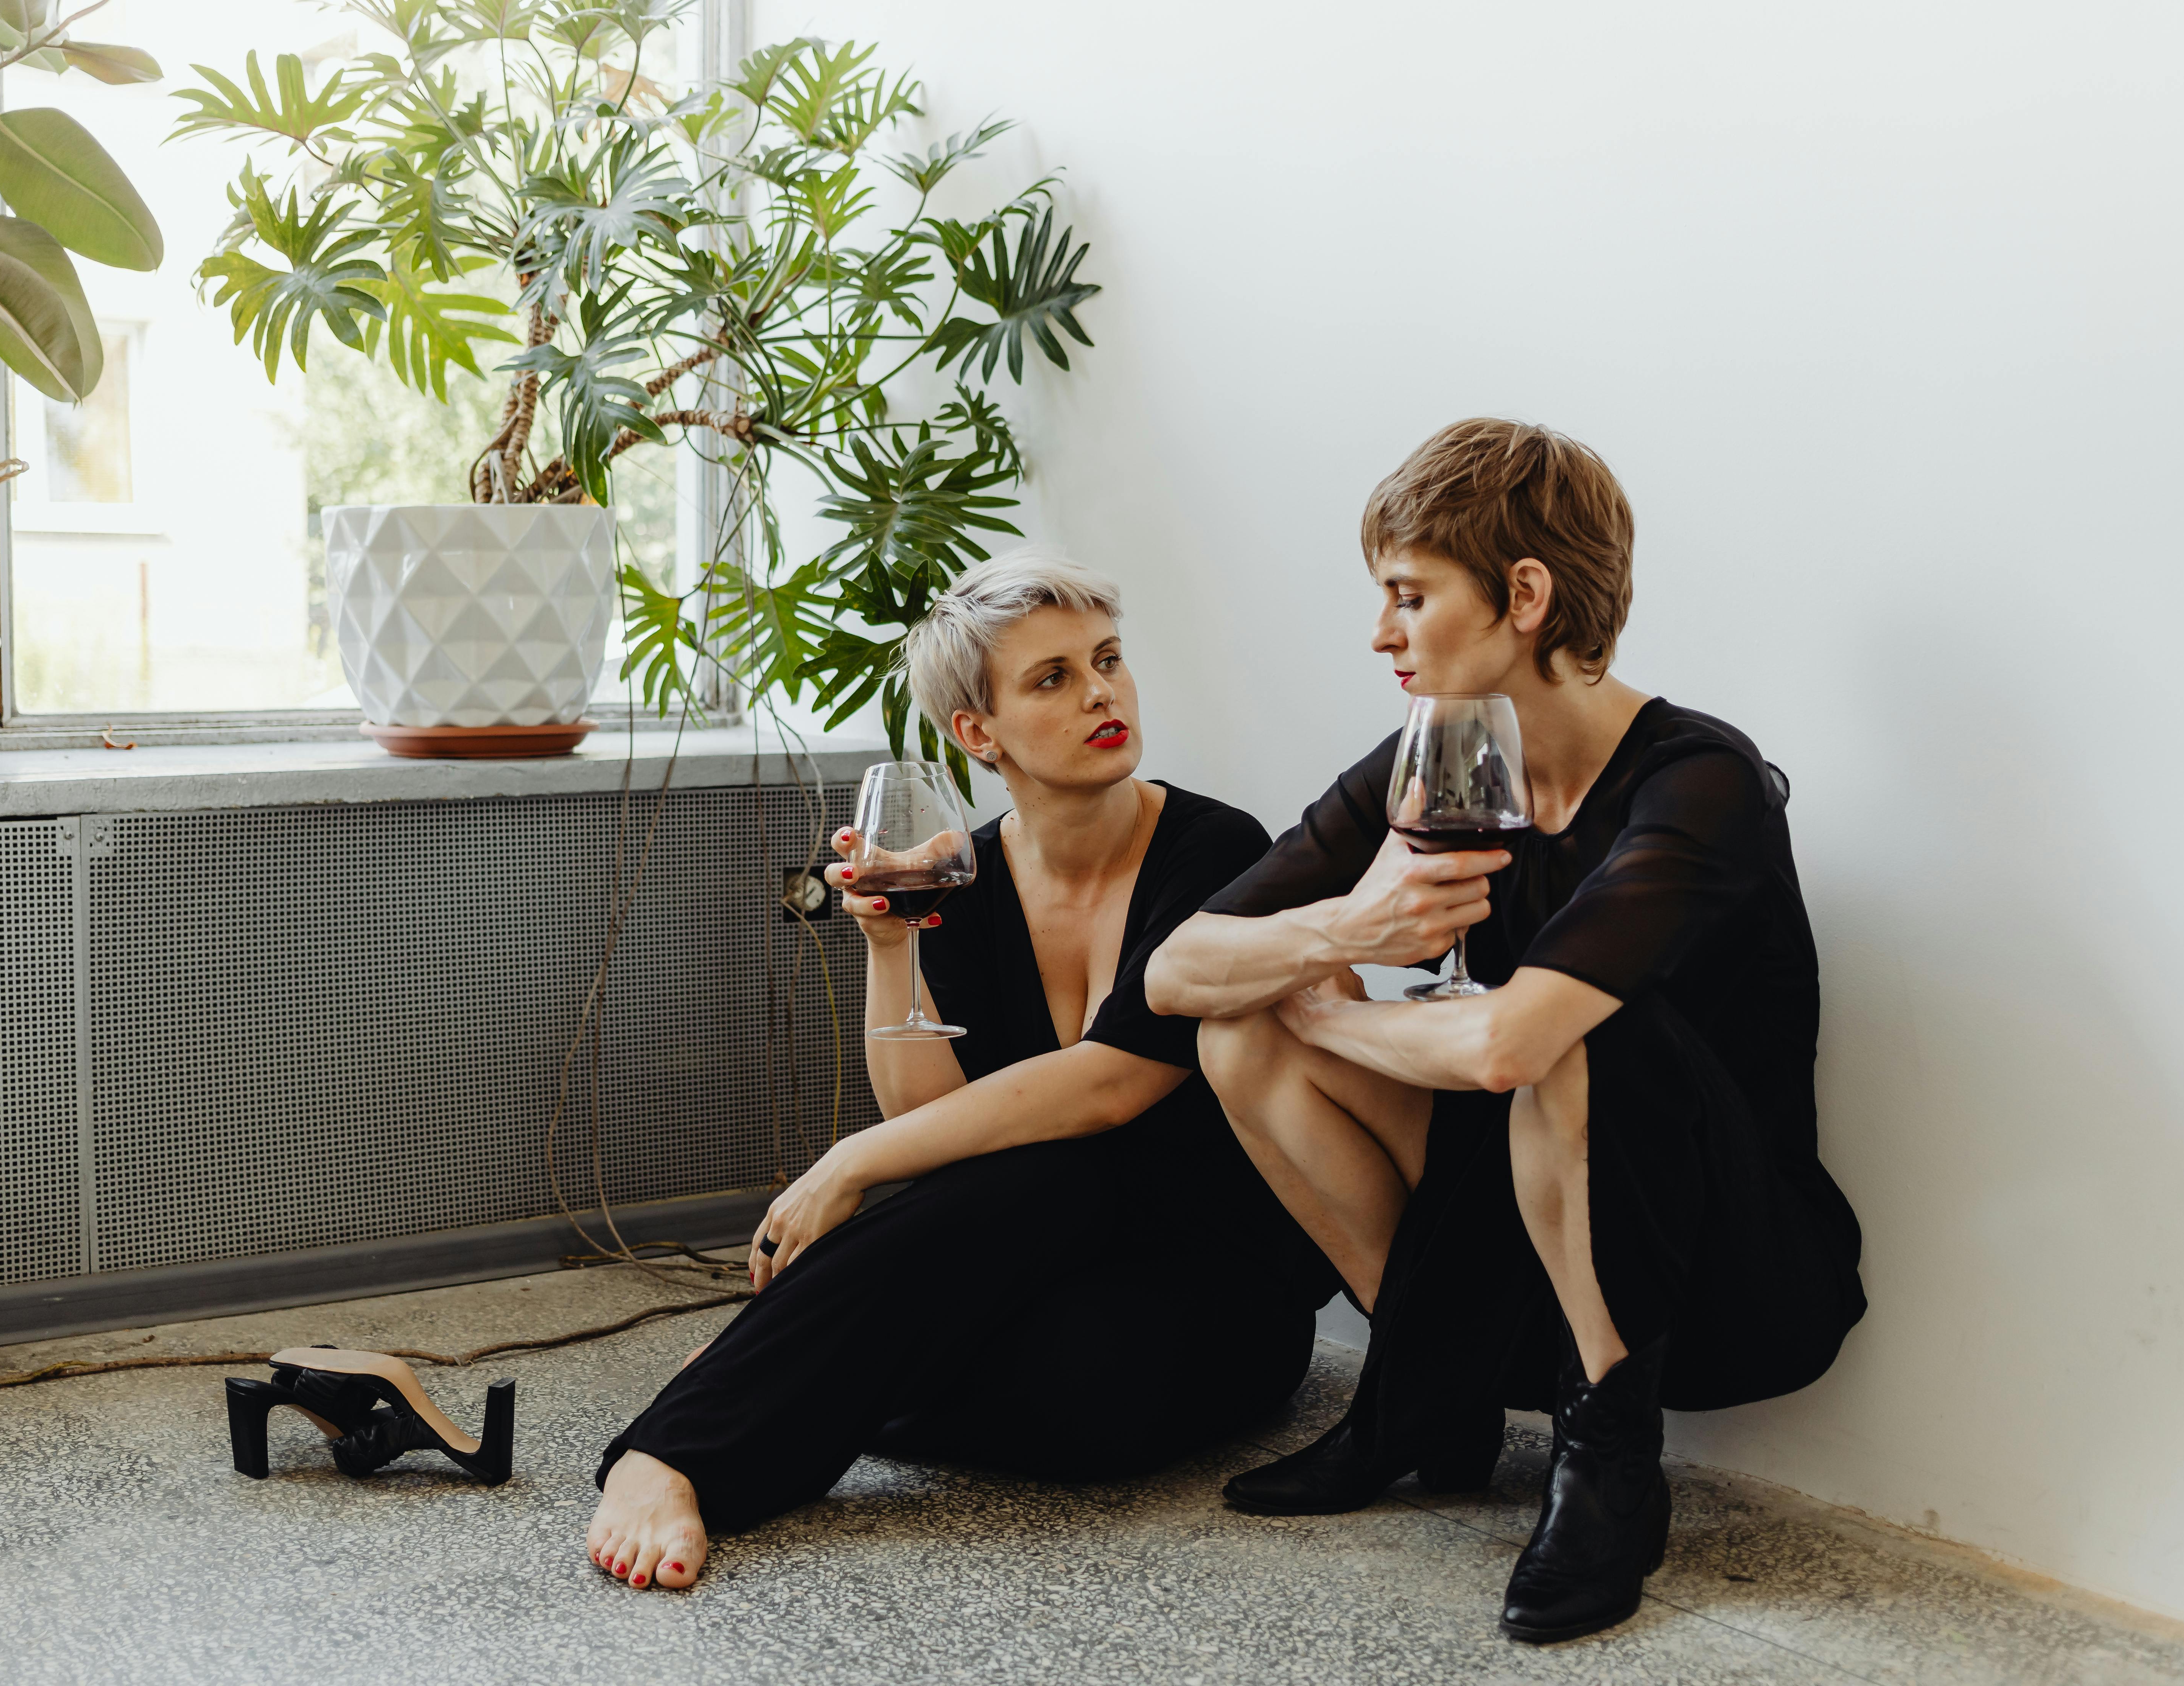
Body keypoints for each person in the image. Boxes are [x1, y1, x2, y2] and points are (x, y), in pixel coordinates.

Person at [1147, 419, 1865, 1644]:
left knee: (1583, 1035)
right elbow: (1175, 973)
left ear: (1525, 595)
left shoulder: (1702, 782)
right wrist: (1340, 936)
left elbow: (1507, 1049)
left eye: (1409, 595)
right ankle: (1433, 1395)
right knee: (1237, 1033)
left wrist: (1329, 1006)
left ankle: (1609, 1465)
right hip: (1514, 1229)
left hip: (1726, 1270)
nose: (1381, 634)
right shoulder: (1444, 755)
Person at [587, 550, 1341, 1590]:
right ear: (977, 734)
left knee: (1090, 1401)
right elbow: (935, 1117)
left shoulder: (1218, 850)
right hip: (1036, 1241)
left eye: (1107, 660)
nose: (1102, 693)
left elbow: (1116, 1083)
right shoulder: (968, 876)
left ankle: (790, 1359)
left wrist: (847, 1162)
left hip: (1218, 1263)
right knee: (1038, 1176)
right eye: (1054, 679)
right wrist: (890, 949)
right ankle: (668, 1452)